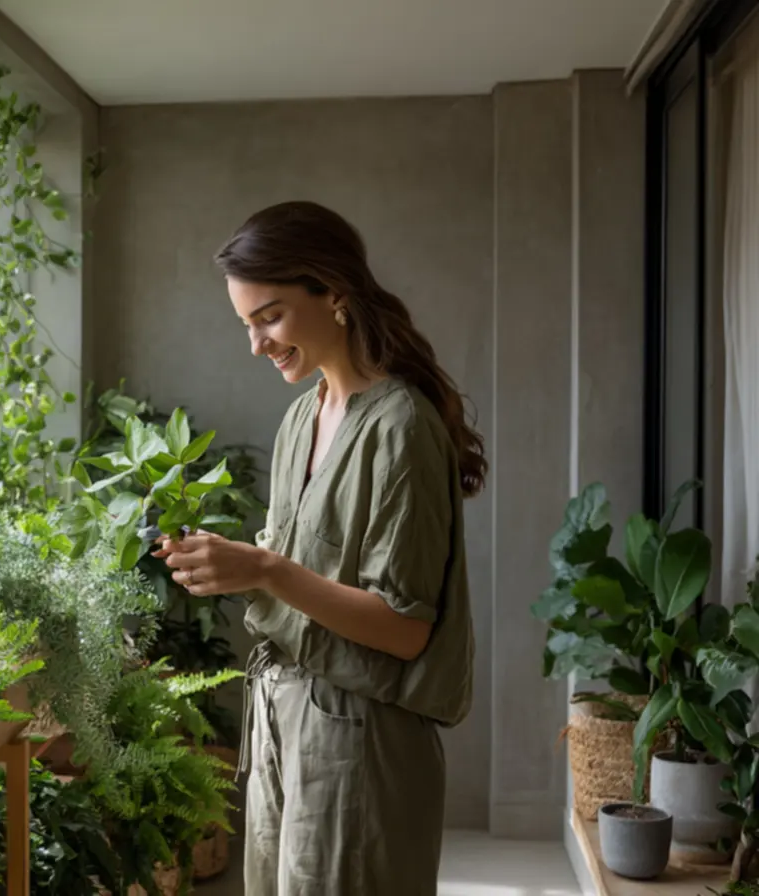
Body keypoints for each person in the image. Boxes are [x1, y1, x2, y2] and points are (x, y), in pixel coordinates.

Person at [151, 201, 484, 896]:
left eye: (269, 317)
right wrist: (229, 565)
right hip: (281, 722)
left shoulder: (400, 427)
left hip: (361, 740)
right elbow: (299, 575)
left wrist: (265, 569)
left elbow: (405, 630)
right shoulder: (301, 417)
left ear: (333, 292)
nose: (257, 344)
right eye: (246, 324)